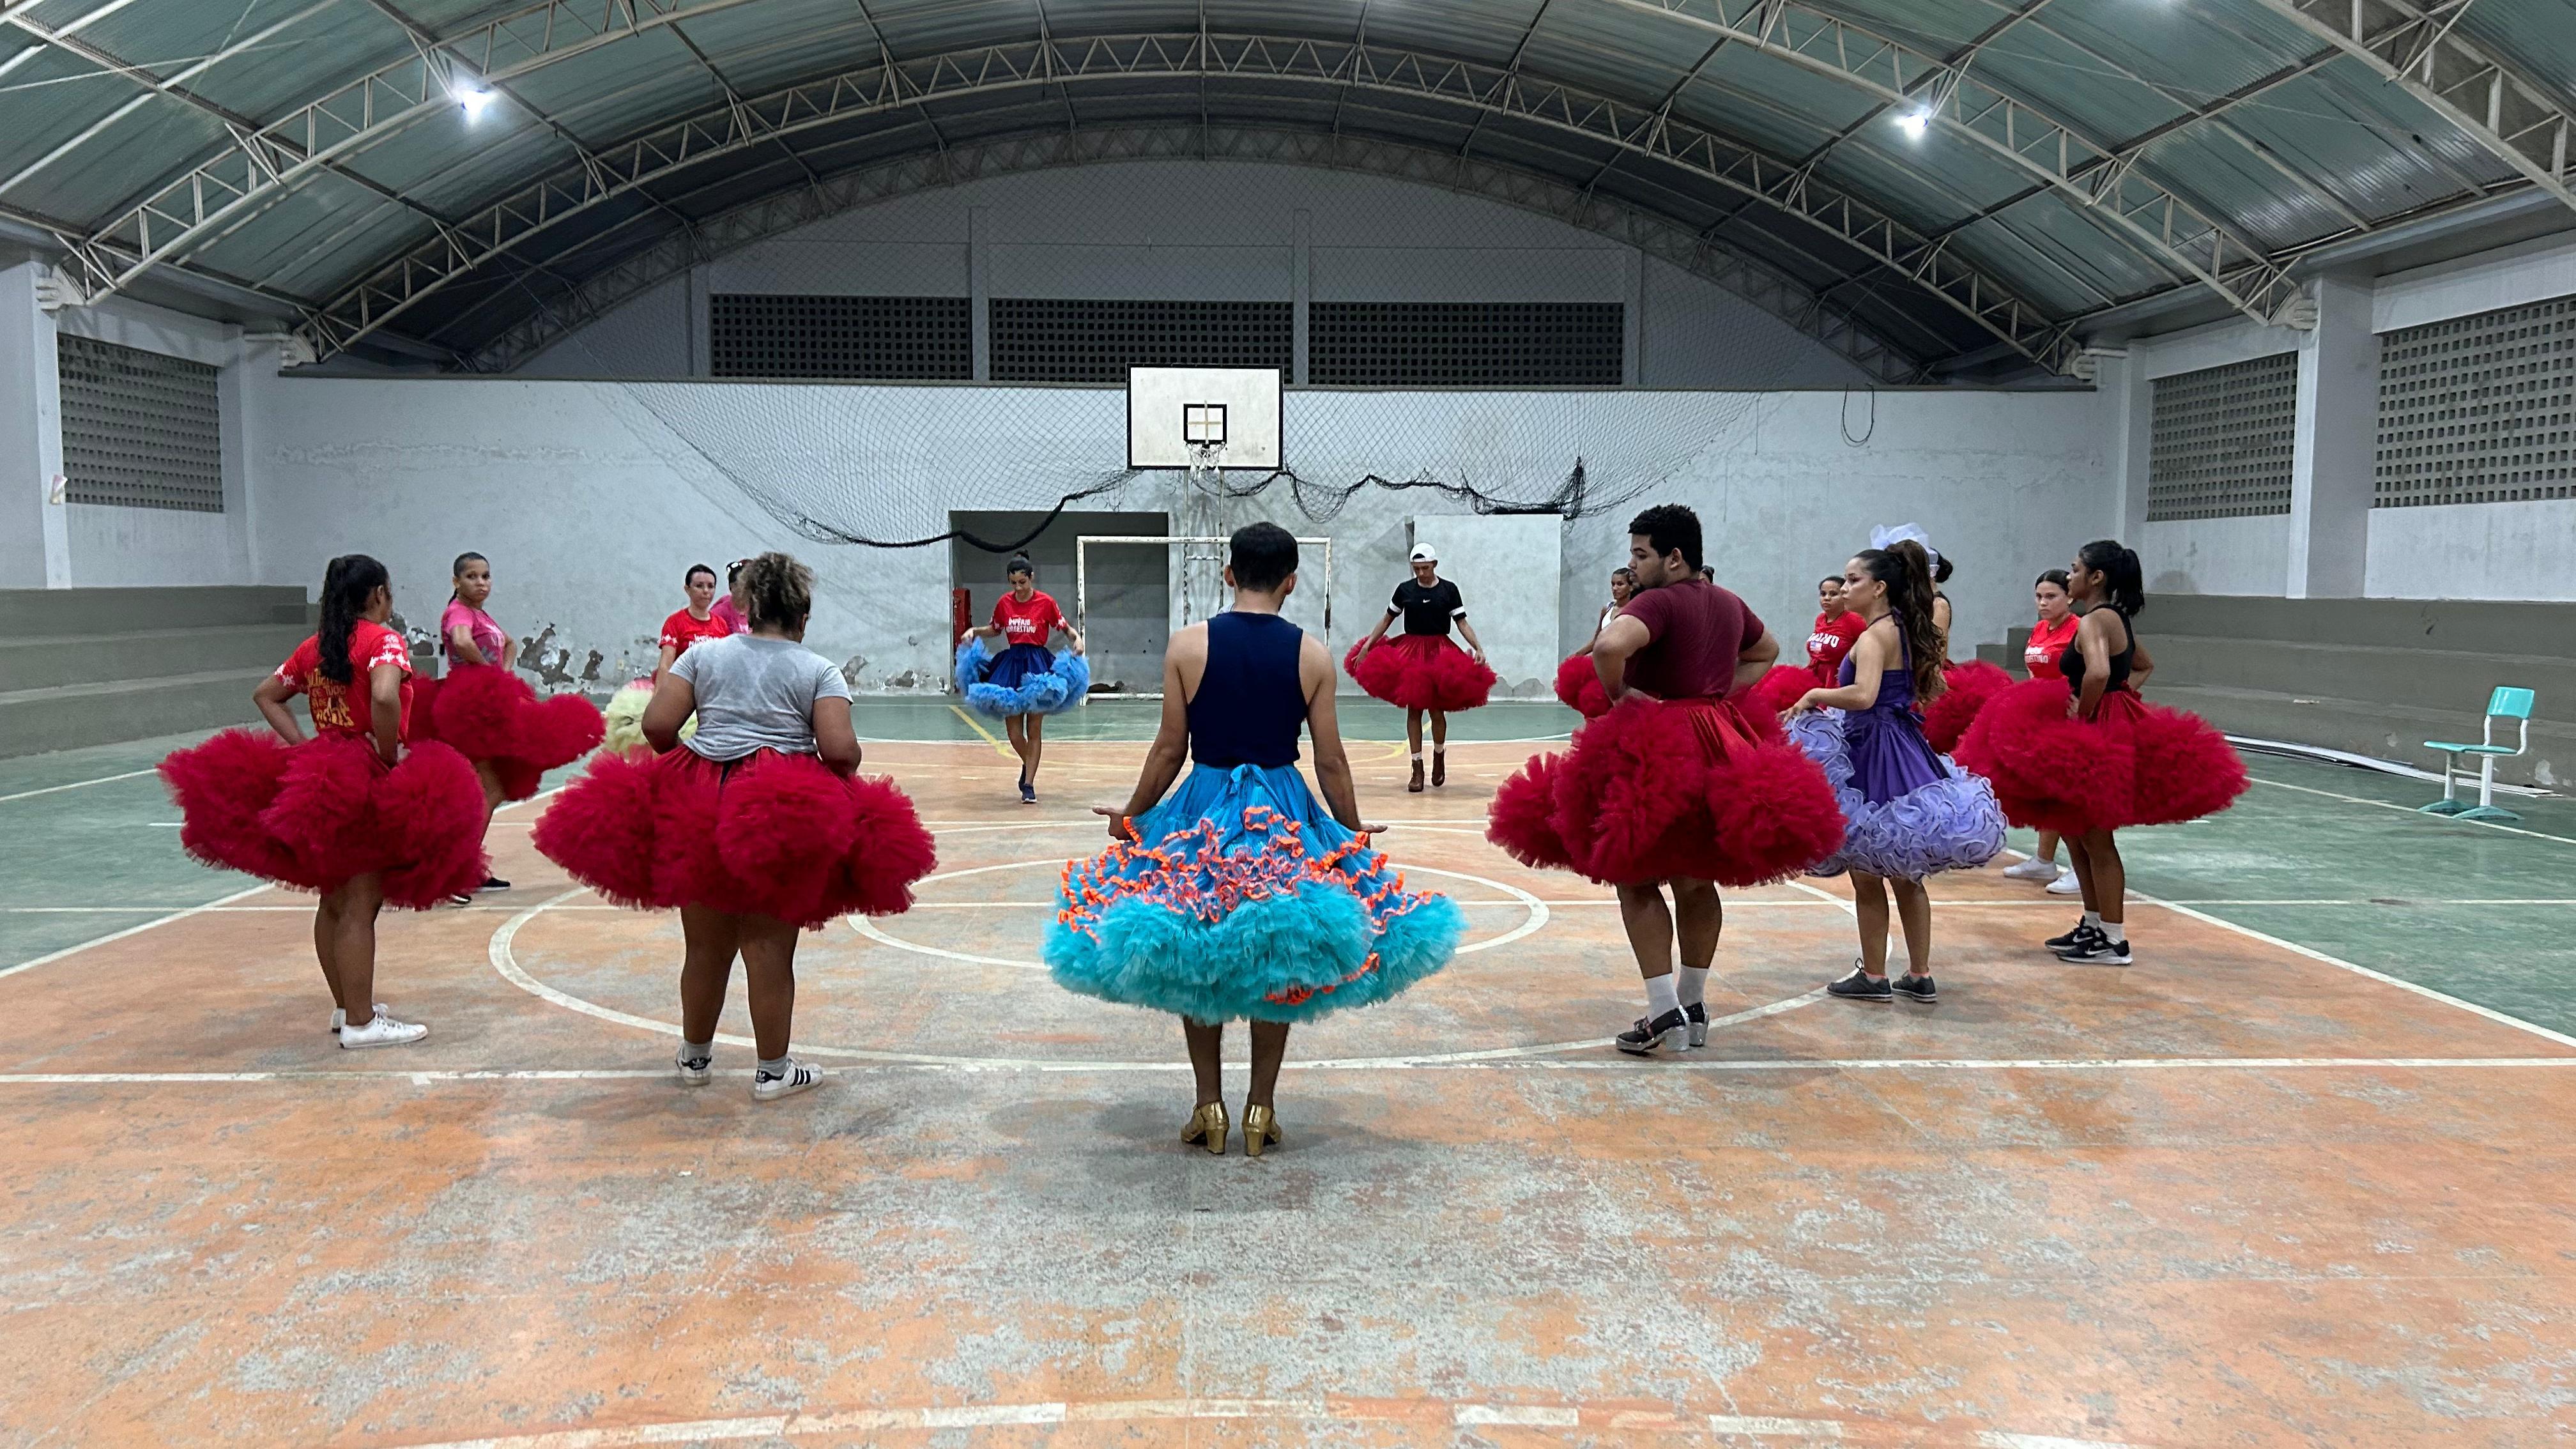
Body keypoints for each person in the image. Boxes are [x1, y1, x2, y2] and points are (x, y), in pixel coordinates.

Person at [1049, 523, 1464, 1154]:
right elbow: (1330, 761)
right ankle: (1260, 1110)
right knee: (1278, 951)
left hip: (1202, 808)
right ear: (1292, 582)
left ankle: (1208, 1106)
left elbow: (1169, 750)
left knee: (1196, 947)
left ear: (1229, 574)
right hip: (1283, 811)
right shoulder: (1313, 655)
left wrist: (1133, 814)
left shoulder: (1187, 646)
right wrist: (1350, 827)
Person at [533, 553, 937, 1100]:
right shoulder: (818, 669)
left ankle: (695, 1056)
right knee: (769, 946)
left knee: (705, 946)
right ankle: (773, 1071)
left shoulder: (704, 655)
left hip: (701, 798)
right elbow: (841, 752)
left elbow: (657, 726)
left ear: (747, 608)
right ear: (803, 616)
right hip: (782, 811)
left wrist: (698, 762)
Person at [1487, 505, 1843, 1054]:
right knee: (1697, 878)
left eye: (1641, 554)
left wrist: (1621, 694)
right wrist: (1720, 691)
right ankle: (1693, 1004)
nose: (1632, 565)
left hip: (1658, 744)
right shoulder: (1727, 601)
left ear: (1674, 558)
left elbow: (1610, 646)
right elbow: (1768, 650)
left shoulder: (1657, 601)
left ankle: (1662, 1012)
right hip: (1719, 739)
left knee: (1635, 876)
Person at [158, 555, 489, 1048]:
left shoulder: (315, 646)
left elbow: (266, 695)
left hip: (323, 772)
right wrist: (387, 753)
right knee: (360, 901)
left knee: (333, 898)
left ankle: (346, 1007)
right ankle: (362, 1023)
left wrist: (302, 747)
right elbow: (384, 696)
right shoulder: (384, 641)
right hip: (364, 776)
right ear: (378, 594)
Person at [1956, 540, 2246, 967]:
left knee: (2096, 837)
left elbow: (2098, 671)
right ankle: (2093, 924)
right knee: (2075, 830)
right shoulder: (2115, 618)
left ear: (2096, 578)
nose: (2069, 576)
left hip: (2096, 731)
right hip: (2105, 721)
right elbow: (2142, 665)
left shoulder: (2094, 619)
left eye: (2075, 570)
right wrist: (2119, 696)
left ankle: (2114, 939)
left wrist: (2085, 712)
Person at [1788, 542, 2005, 1004]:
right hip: (1905, 746)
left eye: (1854, 581)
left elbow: (1863, 695)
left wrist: (1815, 696)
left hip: (1874, 749)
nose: (1845, 589)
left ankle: (1874, 975)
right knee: (1907, 872)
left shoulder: (1874, 636)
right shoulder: (1905, 628)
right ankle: (1920, 973)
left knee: (1867, 870)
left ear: (1879, 587)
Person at [411, 552, 603, 906]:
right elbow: (462, 641)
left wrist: (502, 674)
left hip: (488, 703)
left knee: (487, 788)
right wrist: (489, 672)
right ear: (456, 582)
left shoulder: (481, 614)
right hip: (470, 708)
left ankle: (464, 867)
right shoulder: (458, 612)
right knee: (486, 788)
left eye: (485, 576)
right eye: (472, 576)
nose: (481, 583)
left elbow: (510, 643)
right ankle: (452, 871)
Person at [1347, 545, 1497, 792]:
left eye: (1425, 568)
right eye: (1416, 569)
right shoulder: (1405, 590)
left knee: (1437, 711)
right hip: (1411, 652)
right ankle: (1417, 768)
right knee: (1414, 709)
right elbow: (1387, 619)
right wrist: (1367, 646)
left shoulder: (1449, 590)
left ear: (1434, 565)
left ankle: (1439, 757)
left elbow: (1462, 623)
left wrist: (1478, 647)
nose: (1421, 573)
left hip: (1440, 653)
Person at [955, 555, 1089, 804]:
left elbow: (1065, 629)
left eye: (1022, 582)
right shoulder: (1004, 603)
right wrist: (975, 631)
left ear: (1031, 578)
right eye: (1013, 583)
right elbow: (995, 629)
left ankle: (1029, 784)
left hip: (1038, 667)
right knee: (1014, 733)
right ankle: (1028, 764)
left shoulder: (1046, 602)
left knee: (1034, 729)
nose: (1018, 588)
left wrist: (1077, 639)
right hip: (1012, 666)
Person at [1998, 569, 2083, 894]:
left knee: (2070, 794)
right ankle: (2044, 860)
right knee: (2047, 790)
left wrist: (2079, 704)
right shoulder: (2039, 629)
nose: (2043, 603)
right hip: (2042, 718)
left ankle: (2080, 869)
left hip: (2071, 720)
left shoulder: (2080, 628)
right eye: (2039, 597)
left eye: (2051, 597)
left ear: (2070, 598)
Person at [604, 564, 733, 755]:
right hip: (683, 694)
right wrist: (659, 701)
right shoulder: (675, 622)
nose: (706, 591)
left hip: (711, 695)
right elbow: (666, 663)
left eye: (710, 586)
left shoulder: (721, 625)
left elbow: (727, 665)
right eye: (699, 586)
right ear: (687, 589)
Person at [1554, 567, 1637, 717]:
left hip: (1625, 671)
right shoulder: (1607, 609)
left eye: (1620, 584)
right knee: (1597, 709)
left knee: (1623, 713)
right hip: (1603, 668)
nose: (1615, 588)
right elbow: (1597, 640)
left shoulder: (1636, 610)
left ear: (1631, 587)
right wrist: (1577, 655)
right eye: (1613, 584)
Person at [1805, 574, 1866, 686]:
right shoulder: (1820, 619)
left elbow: (1868, 648)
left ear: (1844, 596)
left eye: (1833, 594)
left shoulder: (1854, 620)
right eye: (1823, 594)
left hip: (1839, 682)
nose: (1827, 598)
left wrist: (1851, 671)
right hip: (1815, 679)